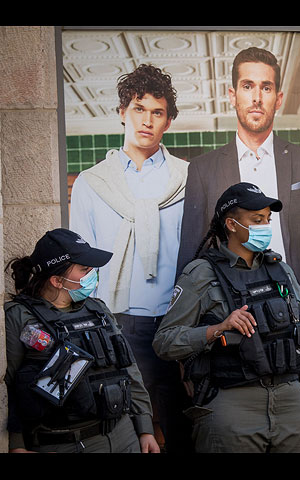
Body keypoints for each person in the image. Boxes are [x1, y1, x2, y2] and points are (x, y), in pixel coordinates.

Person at [153, 182, 300, 453]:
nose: (265, 226)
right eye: (257, 220)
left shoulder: (280, 270)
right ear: (232, 224)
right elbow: (164, 343)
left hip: (291, 400)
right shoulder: (201, 273)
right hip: (233, 403)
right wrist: (217, 329)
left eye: (268, 219)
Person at [69, 64, 192, 452]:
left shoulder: (188, 177)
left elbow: (198, 255)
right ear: (123, 112)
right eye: (139, 109)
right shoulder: (91, 183)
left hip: (177, 323)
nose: (147, 120)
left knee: (184, 430)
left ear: (168, 121)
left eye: (157, 112)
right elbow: (79, 264)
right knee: (122, 431)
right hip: (117, 322)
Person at [175, 47, 300, 347]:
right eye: (248, 86)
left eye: (266, 87)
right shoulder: (203, 169)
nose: (257, 97)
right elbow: (190, 255)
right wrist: (192, 341)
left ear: (279, 98)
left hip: (297, 312)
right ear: (232, 95)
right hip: (229, 314)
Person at [4, 228, 159, 453]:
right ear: (57, 280)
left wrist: (144, 429)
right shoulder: (19, 316)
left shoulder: (99, 309)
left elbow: (129, 370)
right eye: (84, 269)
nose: (93, 274)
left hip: (123, 436)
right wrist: (16, 445)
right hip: (66, 443)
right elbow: (10, 386)